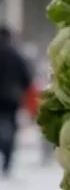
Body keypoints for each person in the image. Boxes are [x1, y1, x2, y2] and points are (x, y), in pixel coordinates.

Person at [0, 26, 32, 176]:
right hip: (12, 98)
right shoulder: (16, 55)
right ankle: (7, 159)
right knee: (11, 128)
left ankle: (3, 146)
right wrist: (22, 90)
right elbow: (27, 77)